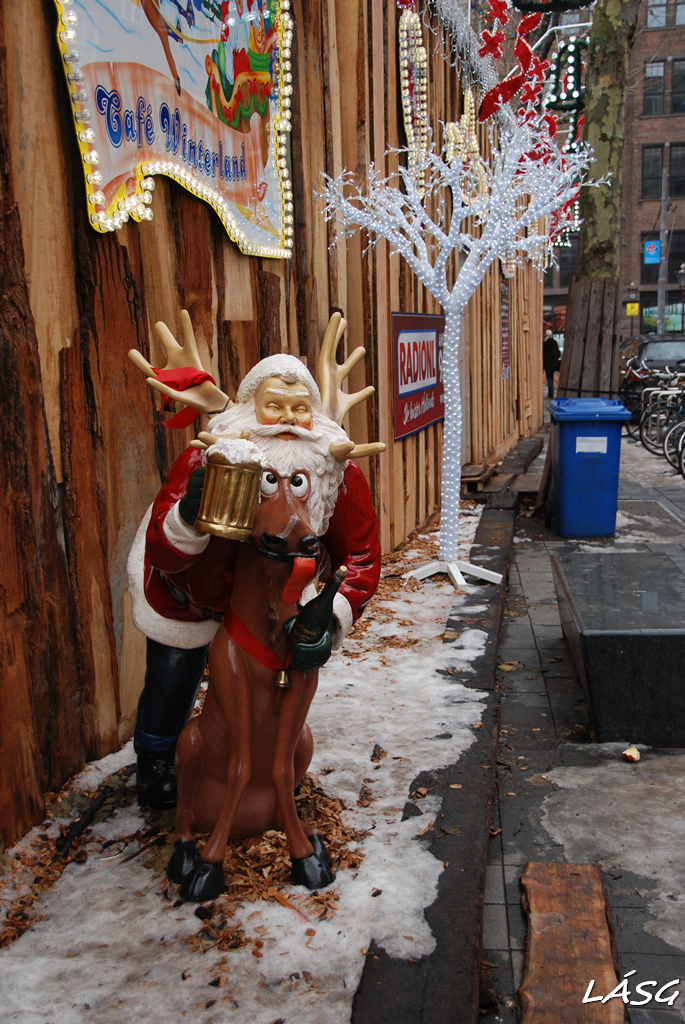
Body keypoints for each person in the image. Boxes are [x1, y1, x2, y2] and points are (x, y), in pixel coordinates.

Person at [127, 352, 382, 809]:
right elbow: (162, 549)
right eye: (274, 405)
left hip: (275, 597)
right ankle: (158, 760)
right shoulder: (207, 458)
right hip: (190, 592)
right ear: (249, 408)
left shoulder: (333, 468)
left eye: (300, 407)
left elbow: (361, 552)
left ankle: (269, 768)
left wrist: (330, 614)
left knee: (271, 684)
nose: (288, 419)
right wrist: (187, 516)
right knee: (173, 673)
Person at [543, 328, 561, 399]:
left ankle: (551, 392)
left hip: (547, 364)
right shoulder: (554, 343)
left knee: (549, 378)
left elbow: (543, 355)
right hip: (554, 364)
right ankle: (551, 391)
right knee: (552, 377)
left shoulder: (545, 344)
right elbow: (558, 354)